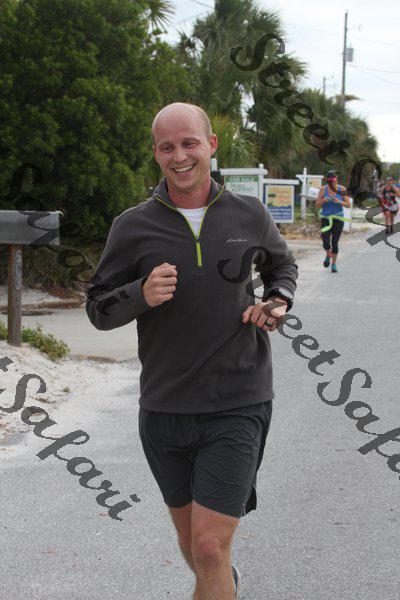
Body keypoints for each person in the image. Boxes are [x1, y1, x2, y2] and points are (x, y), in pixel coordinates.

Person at [86, 102, 298, 600]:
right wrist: (140, 294)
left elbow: (282, 268)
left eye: (189, 143)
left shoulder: (249, 213)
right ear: (156, 154)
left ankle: (218, 573)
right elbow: (98, 309)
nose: (179, 156)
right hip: (165, 407)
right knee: (194, 546)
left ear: (211, 145)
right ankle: (225, 580)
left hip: (238, 400)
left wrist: (277, 301)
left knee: (207, 545)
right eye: (167, 147)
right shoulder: (132, 226)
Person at [315, 170, 351, 273]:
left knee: (335, 242)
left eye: (333, 180)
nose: (332, 182)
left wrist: (339, 201)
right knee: (325, 242)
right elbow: (317, 204)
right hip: (326, 219)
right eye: (330, 180)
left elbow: (348, 205)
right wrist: (324, 200)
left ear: (336, 179)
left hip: (338, 219)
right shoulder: (323, 190)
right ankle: (328, 254)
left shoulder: (342, 189)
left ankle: (334, 264)